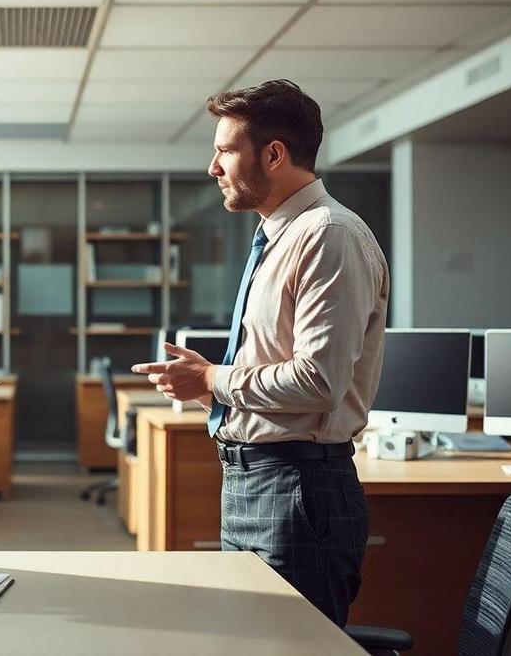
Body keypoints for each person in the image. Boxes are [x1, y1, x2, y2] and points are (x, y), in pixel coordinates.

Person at [132, 80, 389, 627]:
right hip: (254, 484)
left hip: (297, 491)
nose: (213, 168)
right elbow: (276, 374)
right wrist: (204, 388)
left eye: (225, 150)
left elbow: (319, 383)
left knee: (285, 645)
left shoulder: (328, 235)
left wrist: (214, 380)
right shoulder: (280, 237)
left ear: (273, 154)